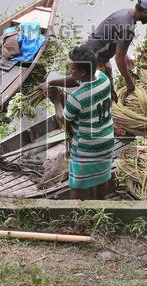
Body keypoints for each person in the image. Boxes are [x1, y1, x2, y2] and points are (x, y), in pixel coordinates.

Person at [43, 0, 147, 100]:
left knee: (109, 89)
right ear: (146, 12)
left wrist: (125, 54)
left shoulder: (126, 13)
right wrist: (128, 82)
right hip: (94, 56)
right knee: (81, 80)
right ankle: (50, 84)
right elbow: (119, 59)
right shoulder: (128, 28)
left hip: (97, 51)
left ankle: (109, 98)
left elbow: (115, 38)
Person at [44, 45, 115, 199]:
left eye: (72, 68)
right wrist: (52, 83)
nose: (70, 70)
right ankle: (100, 204)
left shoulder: (76, 98)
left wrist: (56, 102)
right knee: (102, 175)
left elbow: (63, 119)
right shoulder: (103, 78)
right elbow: (74, 80)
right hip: (107, 141)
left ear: (82, 72)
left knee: (76, 183)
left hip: (87, 149)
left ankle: (76, 212)